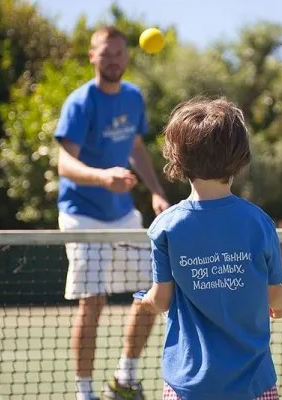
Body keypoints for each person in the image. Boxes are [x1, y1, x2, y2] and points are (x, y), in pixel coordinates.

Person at [138, 97, 282, 400]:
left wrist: (147, 301)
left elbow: (162, 300)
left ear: (177, 159)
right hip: (253, 383)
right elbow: (276, 298)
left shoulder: (166, 227)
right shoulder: (260, 223)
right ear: (240, 156)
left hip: (187, 385)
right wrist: (280, 306)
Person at [54, 26, 170, 400]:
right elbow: (64, 164)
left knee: (149, 293)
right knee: (94, 301)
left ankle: (125, 378)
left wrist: (155, 192)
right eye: (106, 53)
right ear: (92, 56)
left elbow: (136, 147)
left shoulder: (134, 98)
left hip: (122, 214)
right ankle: (85, 394)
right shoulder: (79, 102)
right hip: (81, 214)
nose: (114, 59)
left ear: (127, 57)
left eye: (120, 52)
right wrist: (103, 177)